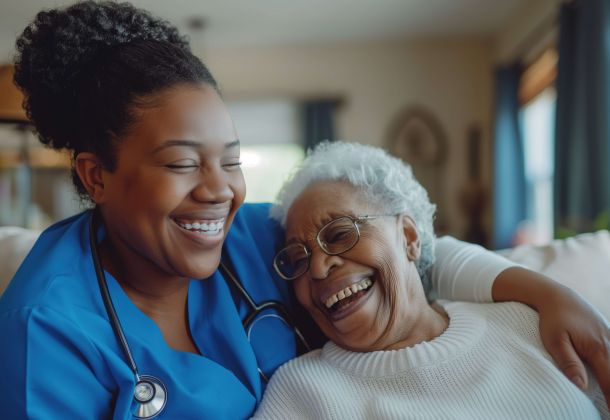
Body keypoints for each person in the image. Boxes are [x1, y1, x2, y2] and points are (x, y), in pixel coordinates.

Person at [0, 2, 607, 418]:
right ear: (95, 175)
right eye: (183, 163)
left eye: (230, 160)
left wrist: (547, 294)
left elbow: (403, 252)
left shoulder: (253, 239)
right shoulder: (45, 332)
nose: (220, 191)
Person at [253, 141, 610, 419]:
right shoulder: (303, 393)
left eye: (339, 234)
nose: (317, 270)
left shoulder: (532, 324)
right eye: (299, 258)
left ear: (408, 237)